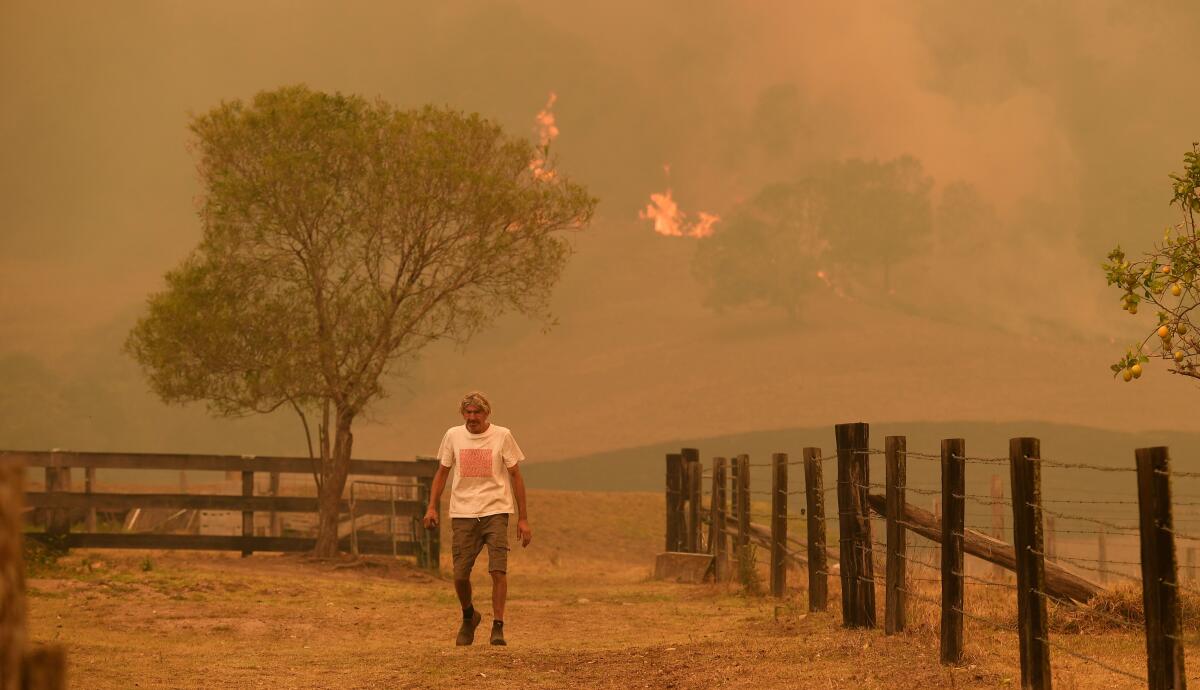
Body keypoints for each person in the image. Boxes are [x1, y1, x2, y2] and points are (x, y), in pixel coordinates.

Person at [423, 391, 532, 646]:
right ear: (463, 414)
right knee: (460, 575)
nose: (472, 418)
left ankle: (498, 626)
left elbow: (516, 475)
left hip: (495, 510)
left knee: (498, 569)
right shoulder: (453, 436)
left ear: (486, 414)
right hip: (463, 513)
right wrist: (431, 507)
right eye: (468, 413)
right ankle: (469, 615)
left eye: (477, 413)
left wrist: (523, 518)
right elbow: (442, 473)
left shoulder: (502, 435)